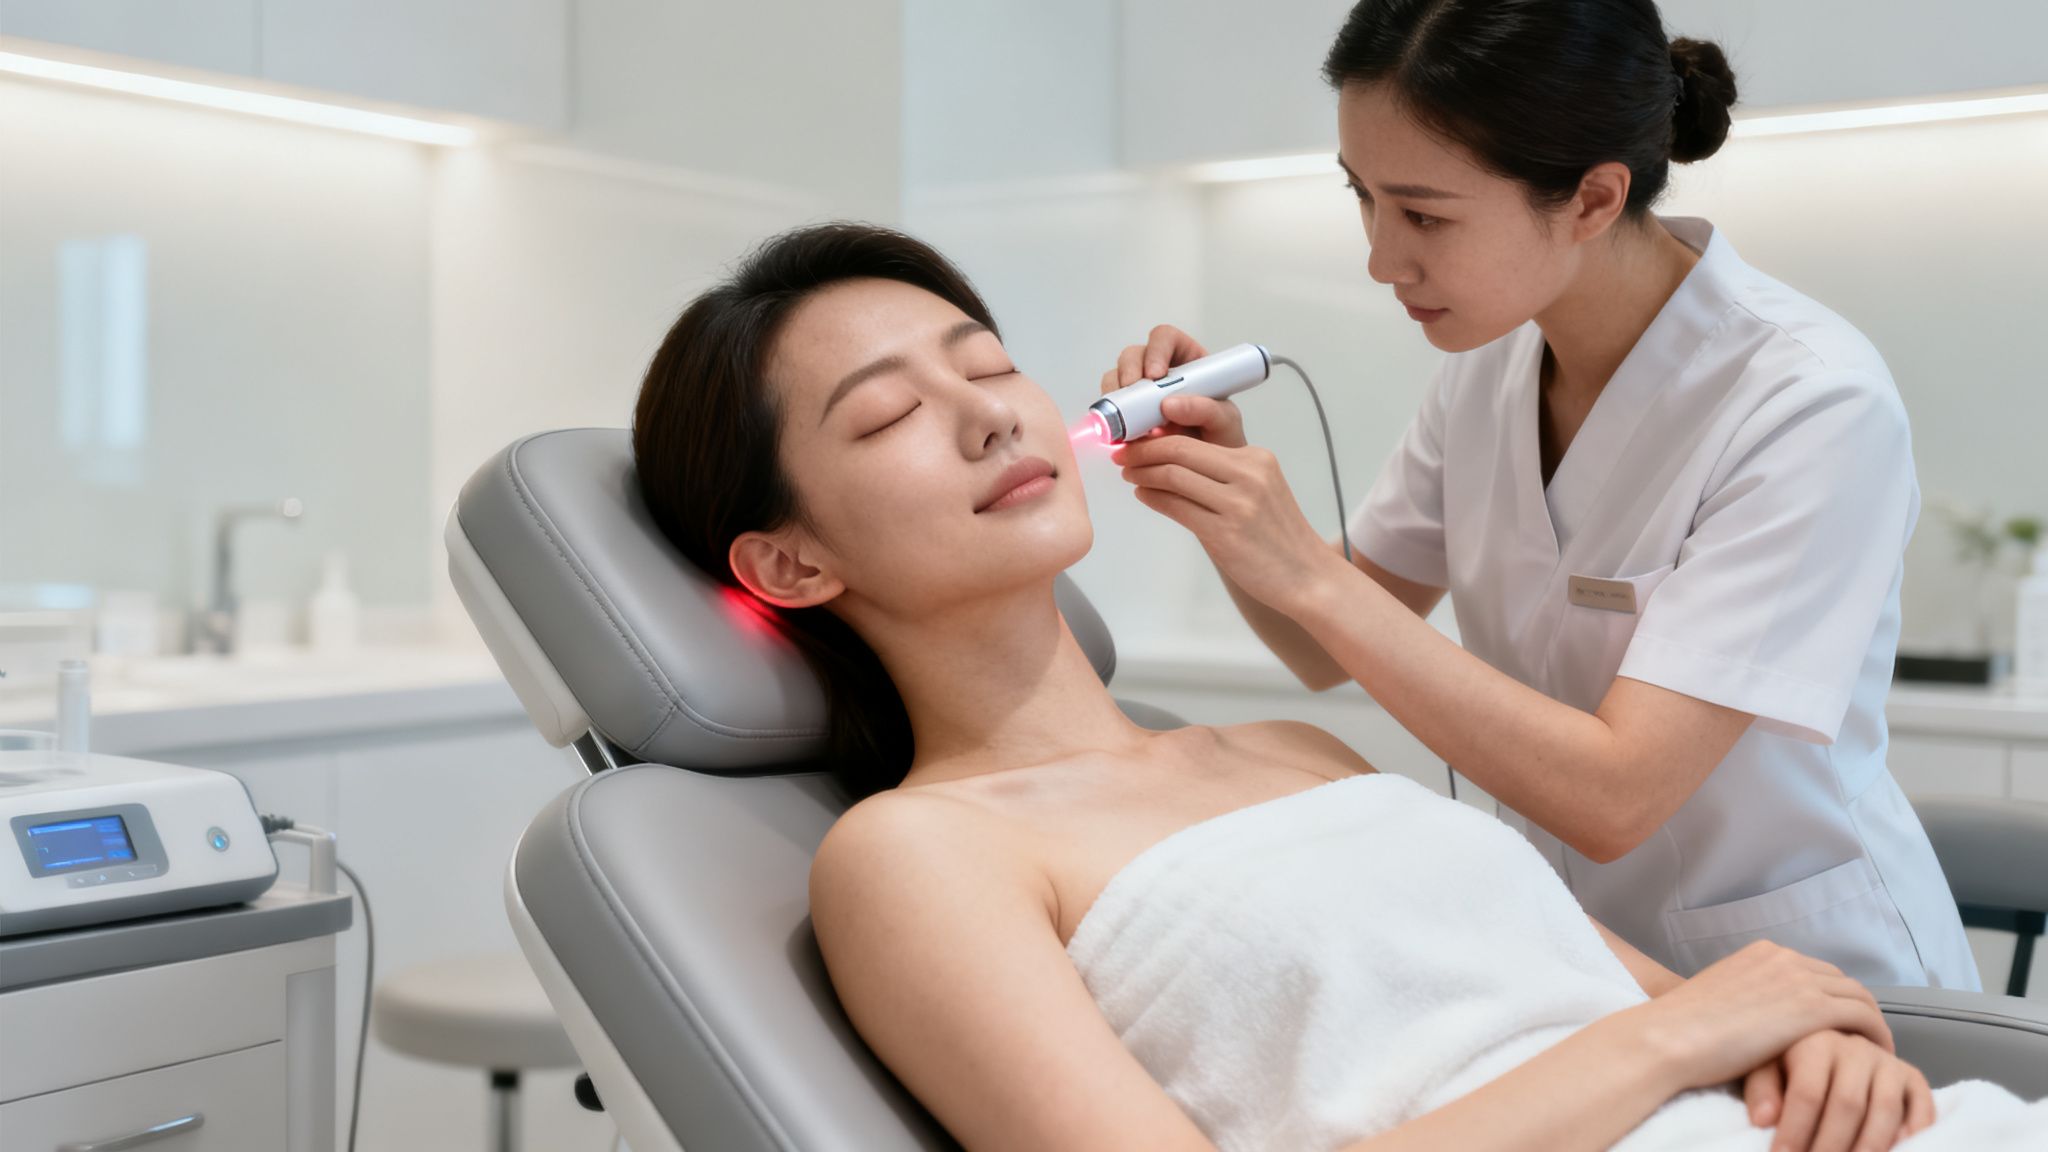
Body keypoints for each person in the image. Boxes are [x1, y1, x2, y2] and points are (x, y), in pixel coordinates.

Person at [630, 222, 2042, 1152]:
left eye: (988, 363)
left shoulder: (1294, 752)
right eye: (886, 415)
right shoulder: (917, 853)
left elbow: (1690, 1007)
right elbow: (1676, 1022)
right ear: (790, 562)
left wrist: (1820, 1046)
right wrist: (1695, 1033)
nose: (993, 410)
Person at [1101, 0, 1977, 992]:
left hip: (1819, 985)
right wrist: (1217, 491)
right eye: (1364, 198)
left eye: (1423, 214)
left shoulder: (1805, 400)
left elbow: (1615, 796)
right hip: (1589, 976)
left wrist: (1306, 571)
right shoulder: (1486, 373)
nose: (1380, 259)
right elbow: (1317, 643)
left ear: (1593, 200)